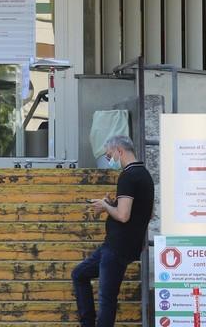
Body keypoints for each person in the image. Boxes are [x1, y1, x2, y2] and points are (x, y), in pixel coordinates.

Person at [72, 135, 153, 327]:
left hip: (117, 247)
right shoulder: (145, 175)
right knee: (79, 274)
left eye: (109, 155)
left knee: (107, 297)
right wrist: (112, 204)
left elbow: (123, 216)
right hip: (120, 246)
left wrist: (105, 206)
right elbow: (146, 213)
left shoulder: (128, 176)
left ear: (119, 151)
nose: (110, 160)